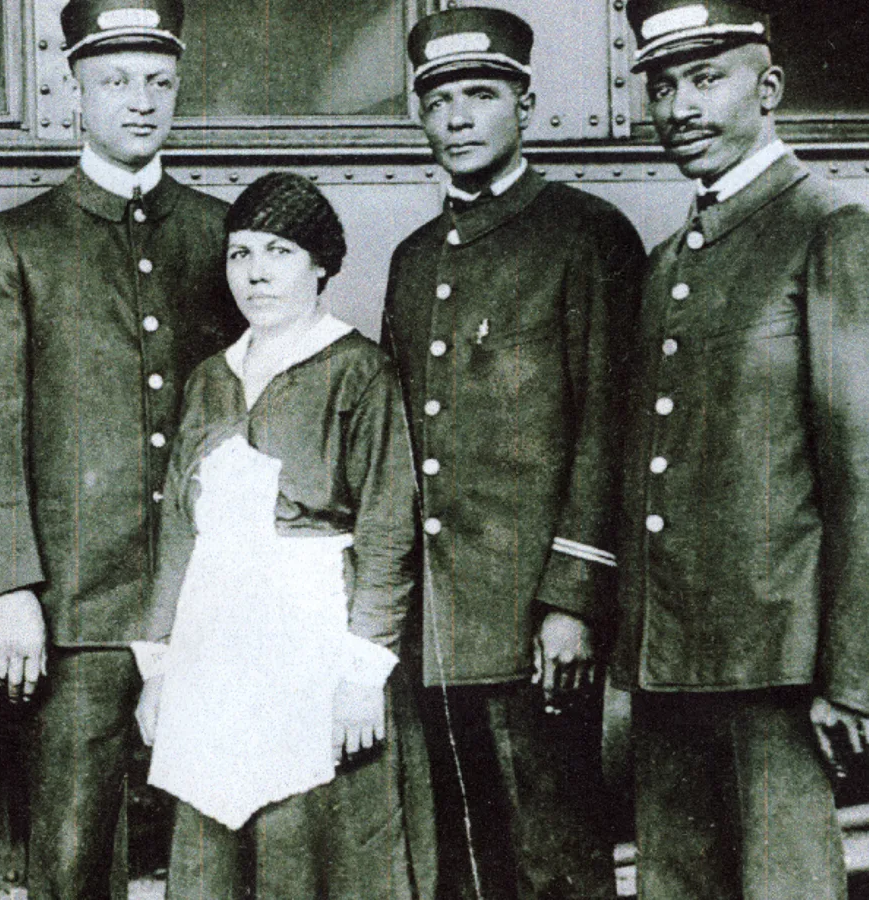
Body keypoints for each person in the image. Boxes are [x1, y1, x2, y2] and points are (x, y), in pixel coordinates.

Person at [619, 2, 869, 897]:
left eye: (706, 79)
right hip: (672, 660)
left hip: (780, 663)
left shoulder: (832, 230)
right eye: (663, 85)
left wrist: (853, 674)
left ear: (769, 90)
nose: (680, 106)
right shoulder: (670, 257)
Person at [0, 1, 243, 895]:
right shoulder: (19, 240)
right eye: (116, 81)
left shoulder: (221, 233)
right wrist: (11, 589)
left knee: (218, 837)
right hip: (79, 608)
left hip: (206, 595)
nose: (141, 101)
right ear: (73, 88)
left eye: (159, 81)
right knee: (74, 853)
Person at [382, 8, 645, 898]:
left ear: (525, 105)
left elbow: (610, 428)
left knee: (554, 860)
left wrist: (571, 599)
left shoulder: (586, 235)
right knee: (459, 861)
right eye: (438, 100)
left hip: (534, 622)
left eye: (481, 95)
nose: (457, 118)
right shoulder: (416, 259)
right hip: (437, 625)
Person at [132, 171, 417, 899]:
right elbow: (178, 533)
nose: (256, 272)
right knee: (210, 845)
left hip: (312, 642)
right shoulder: (209, 379)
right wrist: (158, 670)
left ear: (321, 263)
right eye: (240, 253)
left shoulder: (358, 371)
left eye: (280, 251)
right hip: (213, 644)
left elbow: (388, 525)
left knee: (306, 846)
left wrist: (362, 675)